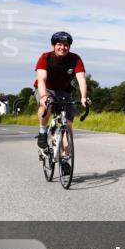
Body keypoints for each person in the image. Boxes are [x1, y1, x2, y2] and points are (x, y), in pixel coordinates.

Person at [34, 31, 88, 173]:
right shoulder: (45, 57)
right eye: (59, 44)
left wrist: (83, 97)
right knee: (46, 104)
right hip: (47, 89)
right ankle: (42, 131)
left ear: (69, 47)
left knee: (67, 126)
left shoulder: (75, 59)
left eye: (66, 45)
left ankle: (65, 159)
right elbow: (42, 79)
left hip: (64, 92)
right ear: (53, 45)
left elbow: (81, 79)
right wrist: (44, 96)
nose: (63, 47)